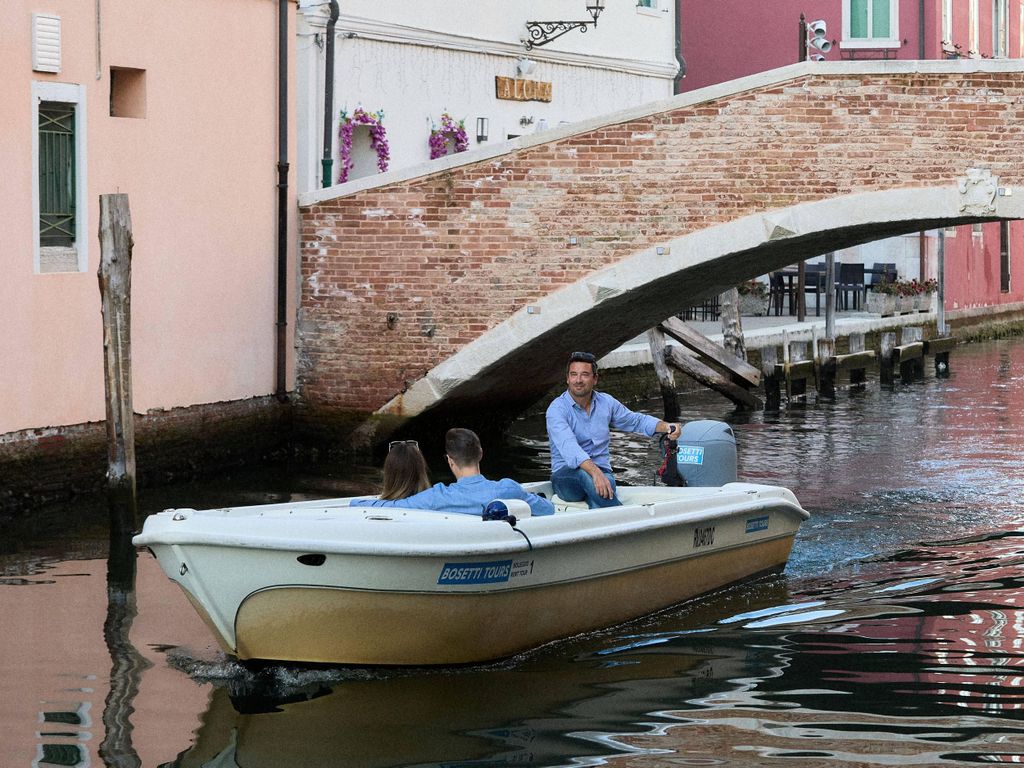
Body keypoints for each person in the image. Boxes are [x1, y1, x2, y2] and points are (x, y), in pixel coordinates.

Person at [547, 351, 682, 508]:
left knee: (600, 493)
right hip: (566, 478)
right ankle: (627, 519)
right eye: (573, 374)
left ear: (595, 379)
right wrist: (595, 473)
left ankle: (606, 523)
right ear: (567, 379)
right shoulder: (556, 409)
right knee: (586, 477)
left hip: (603, 474)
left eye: (584, 375)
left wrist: (666, 426)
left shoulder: (606, 402)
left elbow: (635, 421)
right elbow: (570, 448)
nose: (578, 380)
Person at [350, 428, 554, 517]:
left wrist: (355, 502)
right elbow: (548, 510)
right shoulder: (508, 488)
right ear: (480, 454)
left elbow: (393, 506)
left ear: (449, 461)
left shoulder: (435, 497)